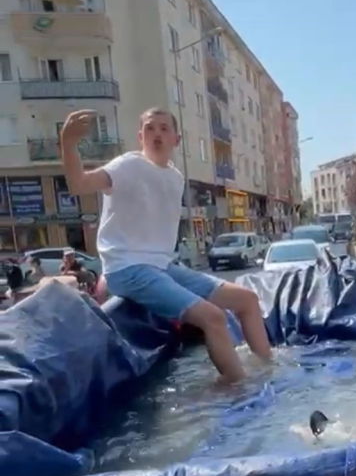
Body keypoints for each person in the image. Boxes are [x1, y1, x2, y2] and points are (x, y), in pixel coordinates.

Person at [61, 108, 271, 383]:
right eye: (150, 128)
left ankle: (268, 370)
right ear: (140, 137)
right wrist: (68, 142)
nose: (156, 134)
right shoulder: (128, 166)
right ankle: (237, 386)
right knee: (213, 317)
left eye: (163, 128)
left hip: (162, 267)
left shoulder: (175, 177)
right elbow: (78, 184)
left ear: (176, 139)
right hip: (127, 268)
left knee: (247, 299)